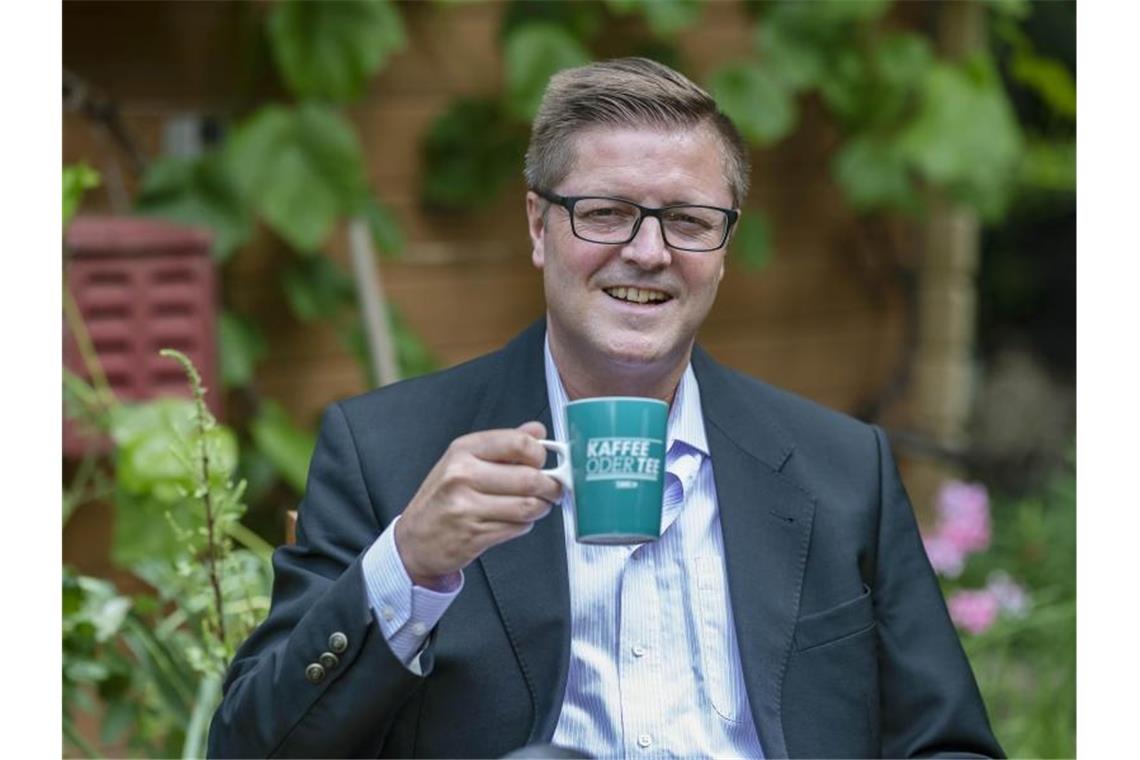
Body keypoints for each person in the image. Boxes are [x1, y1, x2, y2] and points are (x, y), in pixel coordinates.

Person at [208, 58, 1002, 759]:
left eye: (688, 221)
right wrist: (409, 562)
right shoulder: (390, 453)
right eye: (606, 212)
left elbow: (951, 745)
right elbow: (252, 747)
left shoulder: (841, 469)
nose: (648, 252)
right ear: (538, 227)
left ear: (722, 252)